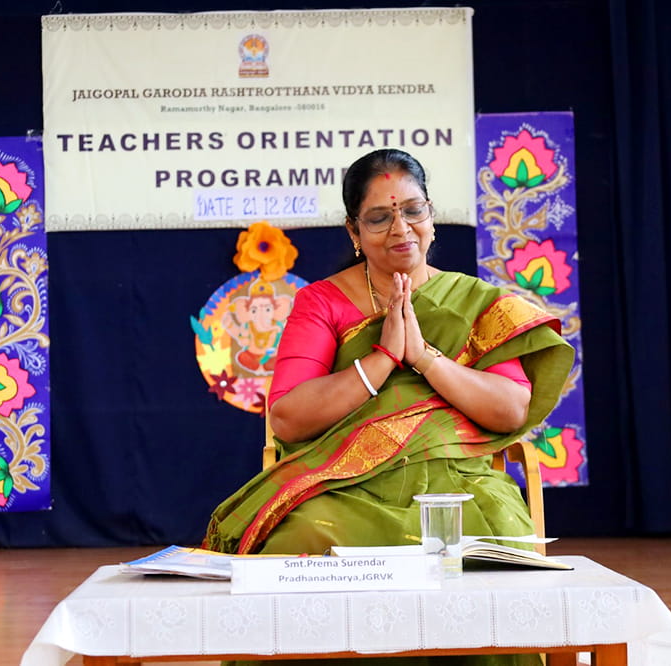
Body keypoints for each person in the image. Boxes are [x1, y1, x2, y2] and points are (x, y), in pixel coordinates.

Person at [204, 149, 574, 665]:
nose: (401, 228)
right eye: (379, 217)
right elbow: (287, 416)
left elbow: (511, 409)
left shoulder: (475, 301)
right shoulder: (322, 303)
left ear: (431, 216)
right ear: (354, 231)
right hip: (343, 484)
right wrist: (382, 360)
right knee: (303, 543)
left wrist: (424, 358)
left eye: (413, 211)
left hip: (458, 486)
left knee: (501, 548)